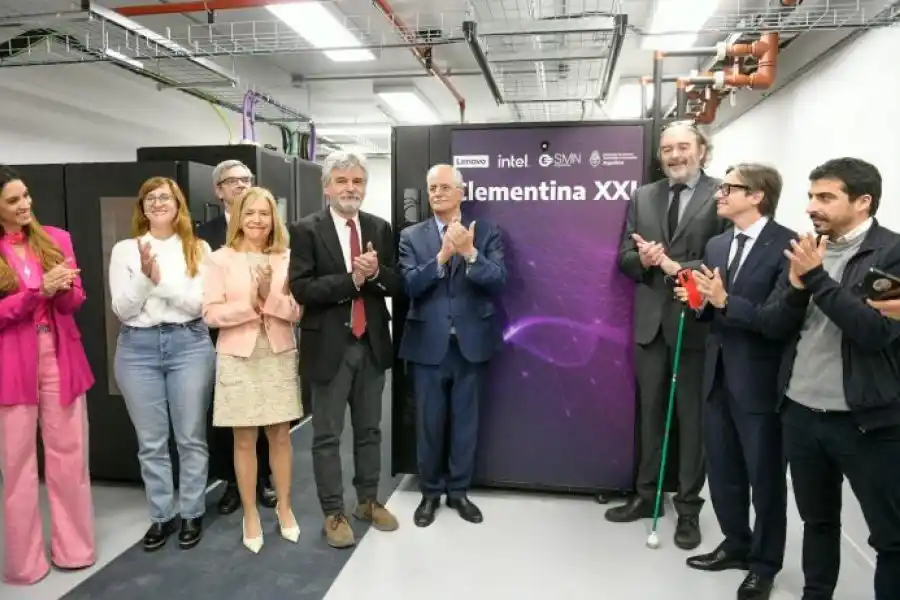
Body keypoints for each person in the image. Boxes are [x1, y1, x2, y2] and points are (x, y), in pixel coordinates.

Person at [748, 158, 900, 600]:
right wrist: (797, 288)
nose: (812, 206)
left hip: (866, 421)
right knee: (817, 522)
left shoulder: (892, 253)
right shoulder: (807, 248)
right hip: (800, 413)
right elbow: (773, 325)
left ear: (863, 201)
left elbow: (874, 332)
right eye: (811, 196)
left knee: (890, 538)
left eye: (826, 197)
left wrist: (815, 277)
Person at [676, 164, 793, 600]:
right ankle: (736, 544)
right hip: (717, 375)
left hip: (760, 381)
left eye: (729, 188)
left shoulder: (788, 246)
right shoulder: (718, 243)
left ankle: (764, 565)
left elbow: (779, 320)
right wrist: (697, 300)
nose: (719, 194)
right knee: (723, 470)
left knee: (765, 479)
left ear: (757, 195)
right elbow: (709, 309)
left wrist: (725, 301)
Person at [607, 120, 724, 550]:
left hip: (696, 323)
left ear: (701, 150)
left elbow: (725, 258)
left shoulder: (721, 194)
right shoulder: (643, 196)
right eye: (668, 149)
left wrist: (675, 266)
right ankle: (647, 496)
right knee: (651, 415)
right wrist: (642, 259)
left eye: (683, 147)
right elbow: (624, 257)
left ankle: (688, 508)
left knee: (692, 422)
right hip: (651, 326)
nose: (675, 156)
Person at [288, 150, 402, 548]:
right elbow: (302, 288)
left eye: (357, 181)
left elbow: (395, 283)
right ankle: (333, 512)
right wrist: (352, 279)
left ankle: (367, 501)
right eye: (342, 181)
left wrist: (376, 274)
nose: (350, 188)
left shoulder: (379, 227)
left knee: (370, 430)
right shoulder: (305, 230)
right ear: (327, 187)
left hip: (371, 345)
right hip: (329, 348)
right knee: (327, 436)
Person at [109, 176, 216, 552]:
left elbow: (198, 305)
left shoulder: (197, 248)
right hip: (137, 349)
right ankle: (161, 515)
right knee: (151, 442)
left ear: (178, 204)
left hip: (188, 344)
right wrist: (144, 279)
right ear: (142, 207)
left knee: (190, 437)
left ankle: (191, 512)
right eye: (150, 198)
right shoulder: (125, 250)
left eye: (165, 197)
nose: (157, 203)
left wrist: (158, 283)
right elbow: (122, 309)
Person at [397, 164, 507, 527]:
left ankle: (459, 492)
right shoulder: (412, 236)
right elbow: (409, 286)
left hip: (471, 345)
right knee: (428, 425)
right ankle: (430, 493)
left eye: (445, 187)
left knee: (466, 424)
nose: (437, 193)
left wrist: (471, 253)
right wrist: (442, 257)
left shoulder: (486, 232)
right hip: (427, 347)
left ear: (462, 192)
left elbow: (498, 280)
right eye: (432, 188)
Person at [0, 166, 95, 584]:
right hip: (11, 366)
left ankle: (75, 550)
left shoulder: (56, 238)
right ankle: (25, 564)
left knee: (70, 457)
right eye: (13, 200)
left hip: (60, 356)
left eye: (26, 195)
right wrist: (37, 293)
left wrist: (63, 289)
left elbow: (74, 303)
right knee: (17, 467)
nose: (25, 205)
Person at [202, 187, 303, 554]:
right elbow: (210, 313)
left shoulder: (286, 258)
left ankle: (284, 507)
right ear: (239, 218)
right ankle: (250, 514)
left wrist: (268, 296)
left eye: (264, 213)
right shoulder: (219, 260)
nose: (257, 220)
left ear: (273, 218)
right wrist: (251, 304)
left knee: (280, 435)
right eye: (250, 213)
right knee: (244, 438)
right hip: (238, 357)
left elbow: (297, 311)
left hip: (277, 353)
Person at [195, 159, 276, 513]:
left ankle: (265, 479)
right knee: (229, 415)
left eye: (246, 179)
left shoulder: (270, 231)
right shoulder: (204, 236)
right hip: (225, 336)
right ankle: (232, 482)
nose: (242, 185)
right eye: (233, 181)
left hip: (268, 336)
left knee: (265, 411)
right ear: (219, 190)